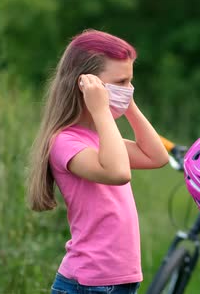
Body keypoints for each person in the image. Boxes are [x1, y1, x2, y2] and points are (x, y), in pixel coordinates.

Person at [26, 29, 169, 294]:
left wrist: (128, 104)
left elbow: (157, 156)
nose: (128, 89)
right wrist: (101, 109)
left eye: (130, 82)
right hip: (88, 284)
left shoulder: (98, 138)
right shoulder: (65, 142)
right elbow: (118, 172)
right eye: (121, 82)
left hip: (121, 280)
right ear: (86, 85)